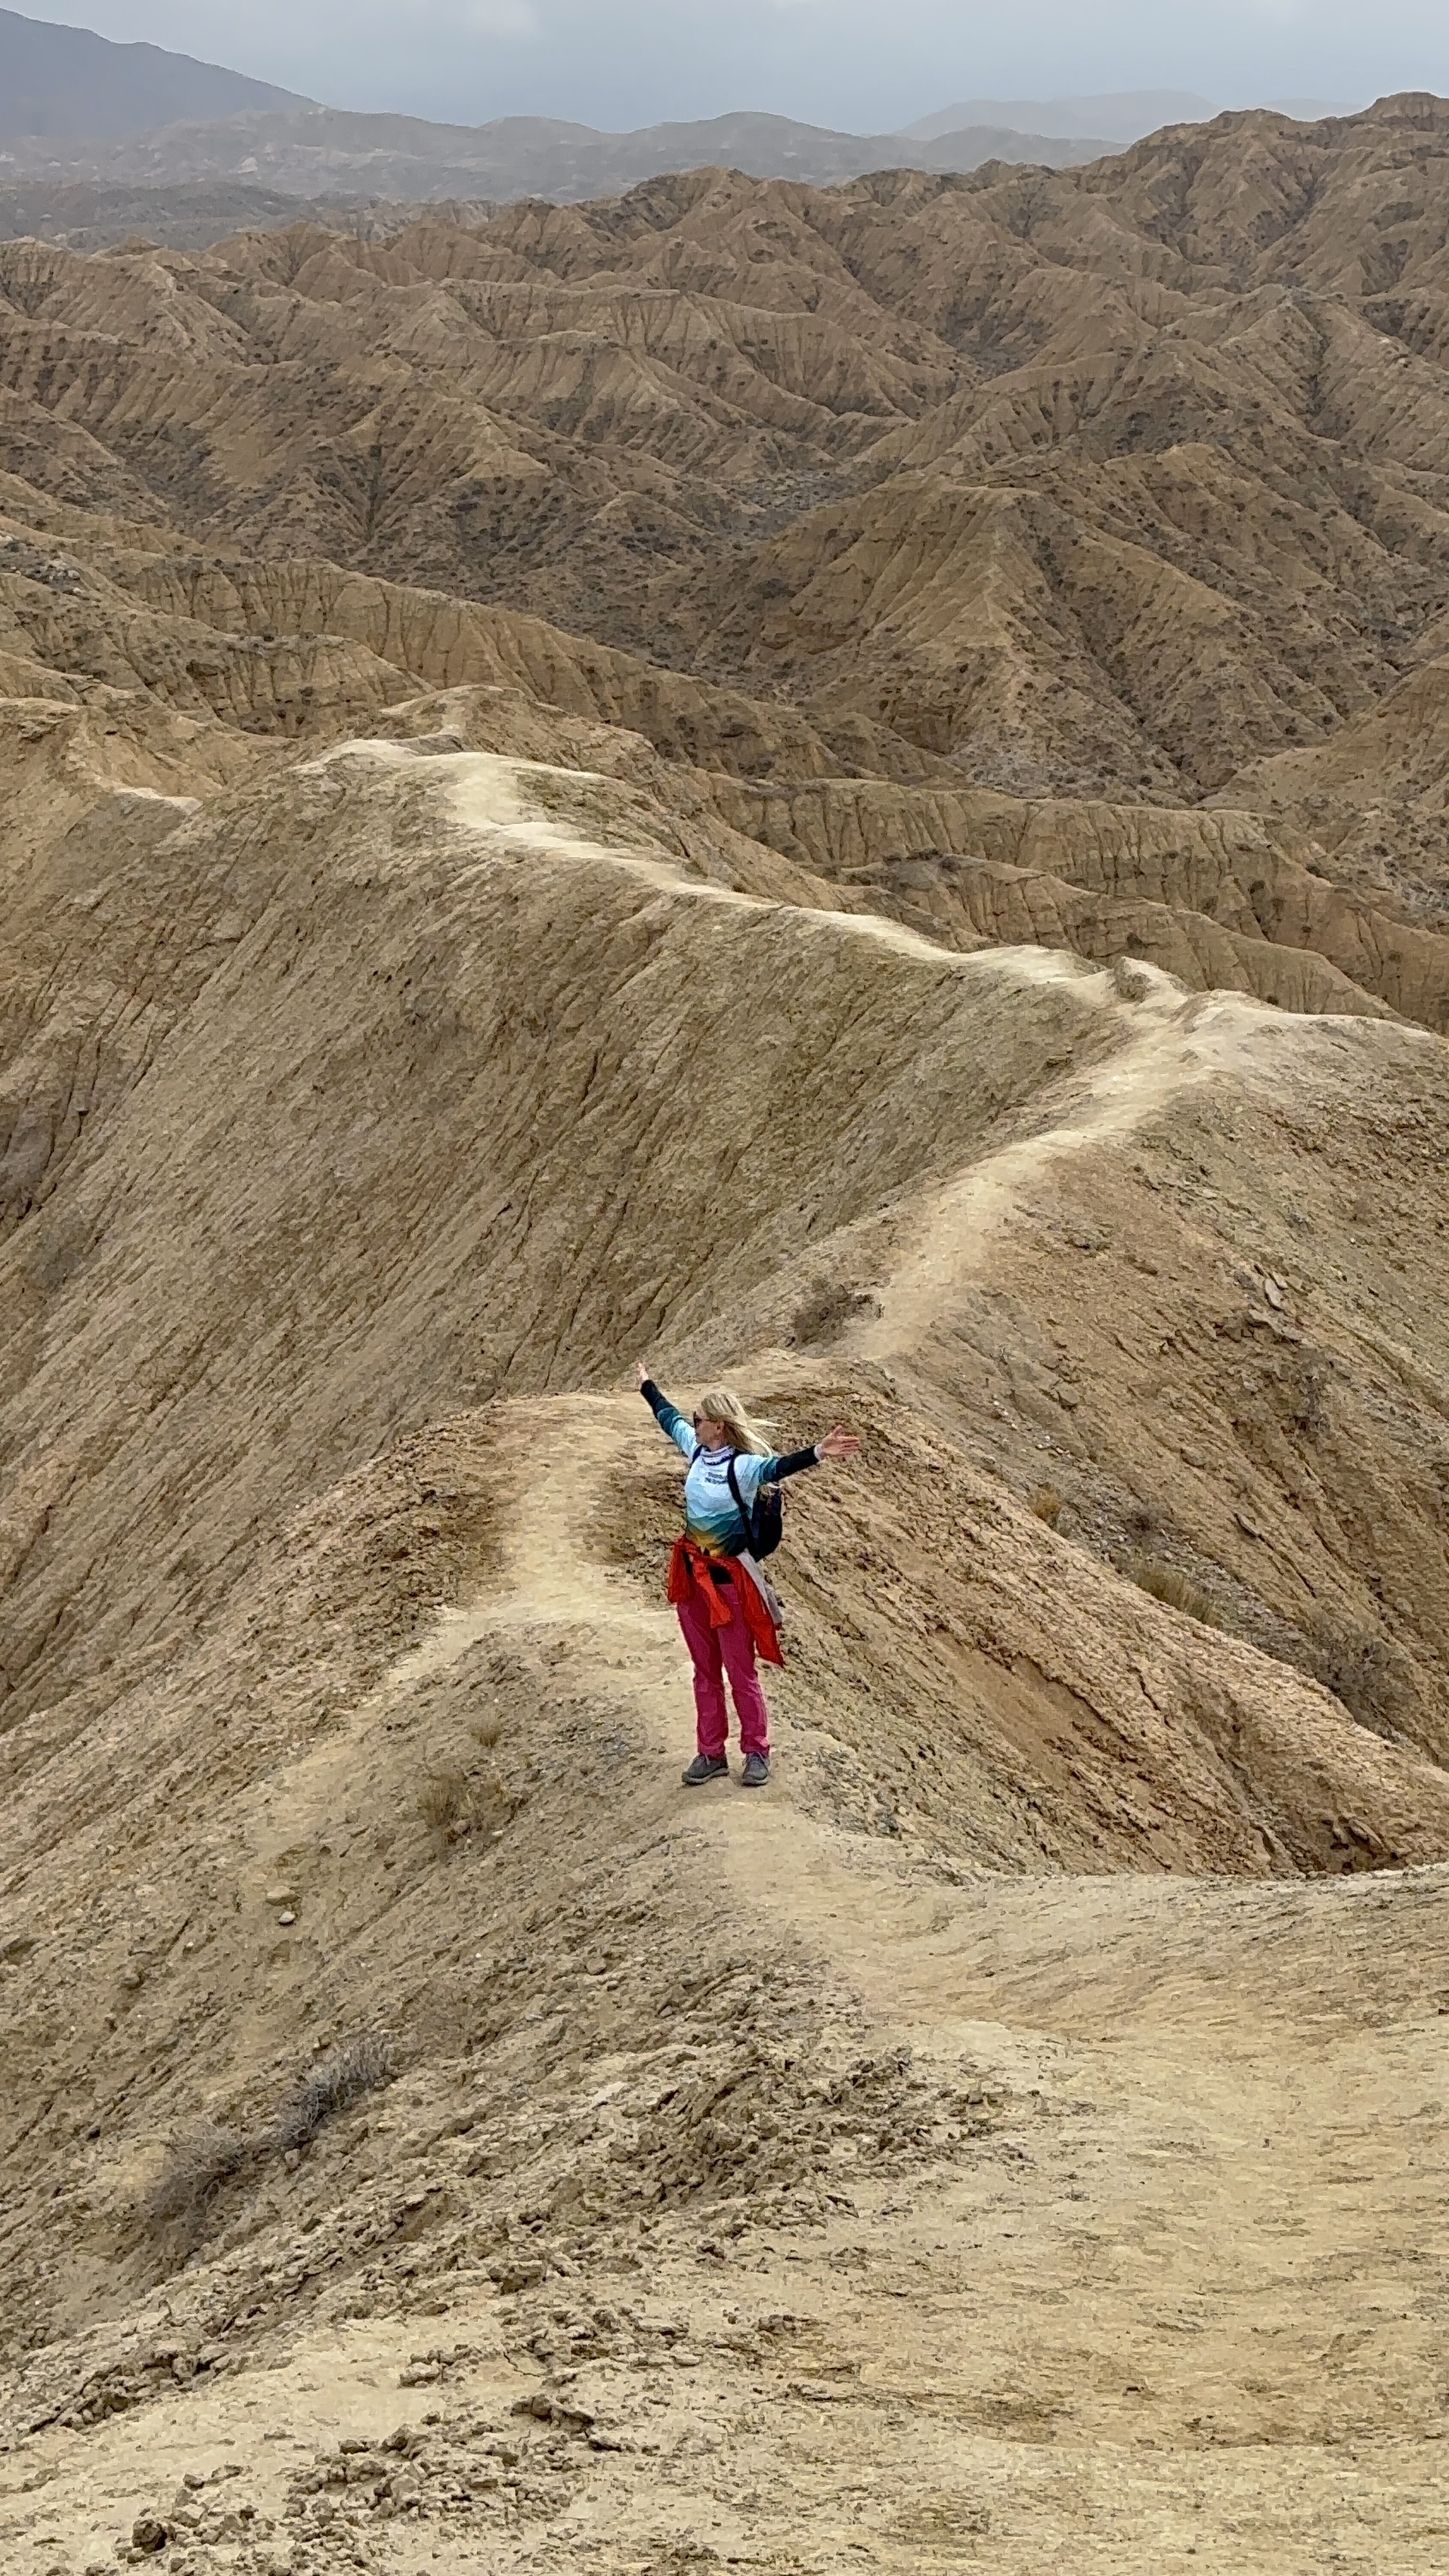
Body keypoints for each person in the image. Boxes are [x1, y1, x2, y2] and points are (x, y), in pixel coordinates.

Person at [635, 1362, 860, 1788]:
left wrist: (817, 1452)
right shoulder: (696, 1451)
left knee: (740, 1672)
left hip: (731, 1583)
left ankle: (756, 1751)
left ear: (718, 1426)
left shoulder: (744, 1467)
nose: (692, 1423)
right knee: (704, 1672)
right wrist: (648, 1386)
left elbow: (779, 1468)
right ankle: (711, 1752)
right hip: (694, 1579)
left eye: (699, 1418)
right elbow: (667, 1419)